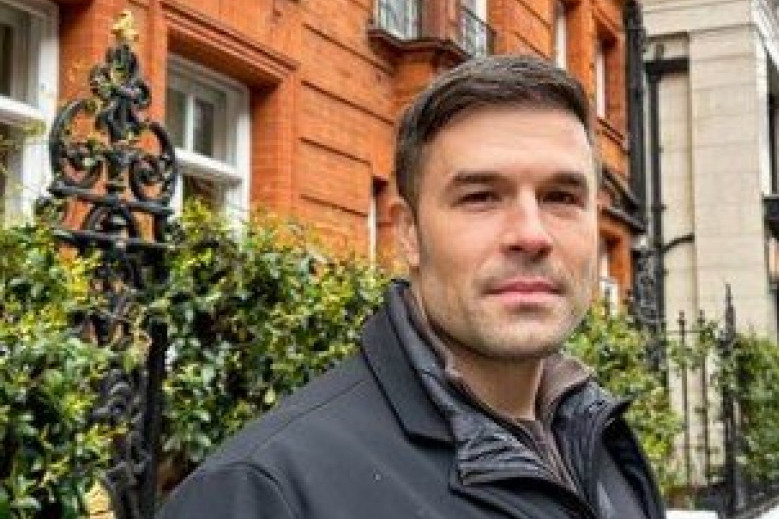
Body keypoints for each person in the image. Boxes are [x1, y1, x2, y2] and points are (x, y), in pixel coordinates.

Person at [157, 55, 664, 519]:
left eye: (561, 197)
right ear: (409, 235)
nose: (531, 235)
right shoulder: (260, 494)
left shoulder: (600, 442)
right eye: (481, 197)